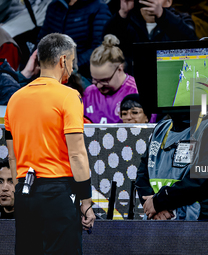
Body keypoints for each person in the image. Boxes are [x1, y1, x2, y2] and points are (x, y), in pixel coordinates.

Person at [4, 33, 95, 255]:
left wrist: (19, 190)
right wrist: (86, 201)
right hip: (58, 194)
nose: (72, 69)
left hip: (25, 195)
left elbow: (12, 156)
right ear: (63, 60)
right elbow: (77, 155)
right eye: (72, 62)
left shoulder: (15, 99)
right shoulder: (68, 96)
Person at [136, 111, 208, 221]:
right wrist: (152, 207)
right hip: (156, 219)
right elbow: (142, 175)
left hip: (200, 222)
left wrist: (158, 202)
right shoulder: (161, 127)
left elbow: (203, 177)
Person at [103, 0, 197, 75]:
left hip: (169, 78)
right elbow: (107, 43)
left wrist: (162, 15)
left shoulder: (181, 19)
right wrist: (122, 14)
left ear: (168, 2)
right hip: (134, 83)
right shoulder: (127, 20)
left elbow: (192, 42)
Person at [38, 0, 111, 79]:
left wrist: (71, 64)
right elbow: (41, 40)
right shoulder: (54, 6)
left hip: (83, 75)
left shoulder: (98, 7)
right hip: (52, 72)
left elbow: (101, 47)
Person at [83, 34, 138, 124]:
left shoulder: (136, 91)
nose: (99, 85)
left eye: (104, 80)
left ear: (120, 68)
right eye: (95, 80)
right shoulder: (88, 93)